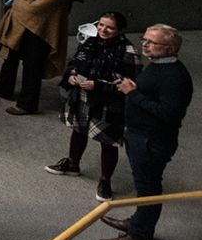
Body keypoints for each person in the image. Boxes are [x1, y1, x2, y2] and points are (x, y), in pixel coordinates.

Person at [100, 25, 193, 240]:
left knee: (148, 188)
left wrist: (133, 94)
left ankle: (138, 237)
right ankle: (139, 223)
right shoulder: (159, 66)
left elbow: (169, 114)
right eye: (145, 40)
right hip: (140, 136)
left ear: (170, 49)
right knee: (145, 186)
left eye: (153, 43)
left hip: (151, 142)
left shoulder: (175, 78)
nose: (145, 45)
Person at [46, 11, 139, 200]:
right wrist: (71, 75)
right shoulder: (89, 42)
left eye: (109, 27)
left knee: (108, 141)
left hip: (107, 103)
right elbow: (74, 63)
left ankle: (105, 180)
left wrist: (98, 86)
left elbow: (129, 84)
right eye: (101, 25)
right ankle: (73, 164)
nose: (103, 30)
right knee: (78, 130)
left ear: (120, 30)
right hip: (81, 96)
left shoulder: (128, 52)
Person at [0, 0, 72, 116]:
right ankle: (3, 89)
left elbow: (34, 10)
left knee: (32, 68)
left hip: (39, 32)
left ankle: (27, 104)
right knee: (10, 58)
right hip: (20, 26)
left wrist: (16, 3)